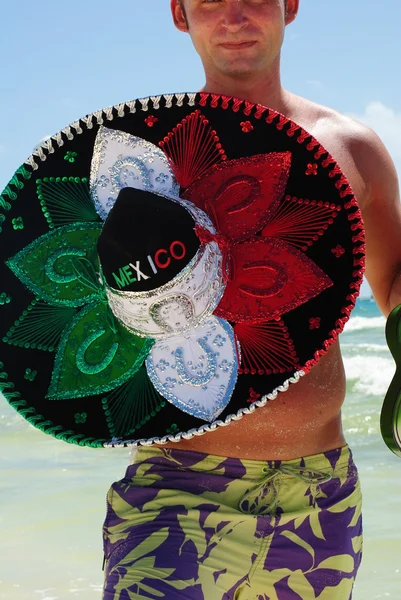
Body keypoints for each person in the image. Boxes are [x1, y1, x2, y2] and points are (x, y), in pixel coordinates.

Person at [102, 1, 401, 598]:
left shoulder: (351, 148)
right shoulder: (143, 160)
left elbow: (394, 290)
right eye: (210, 0)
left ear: (289, 6)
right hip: (173, 489)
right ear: (180, 15)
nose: (233, 15)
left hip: (320, 494)